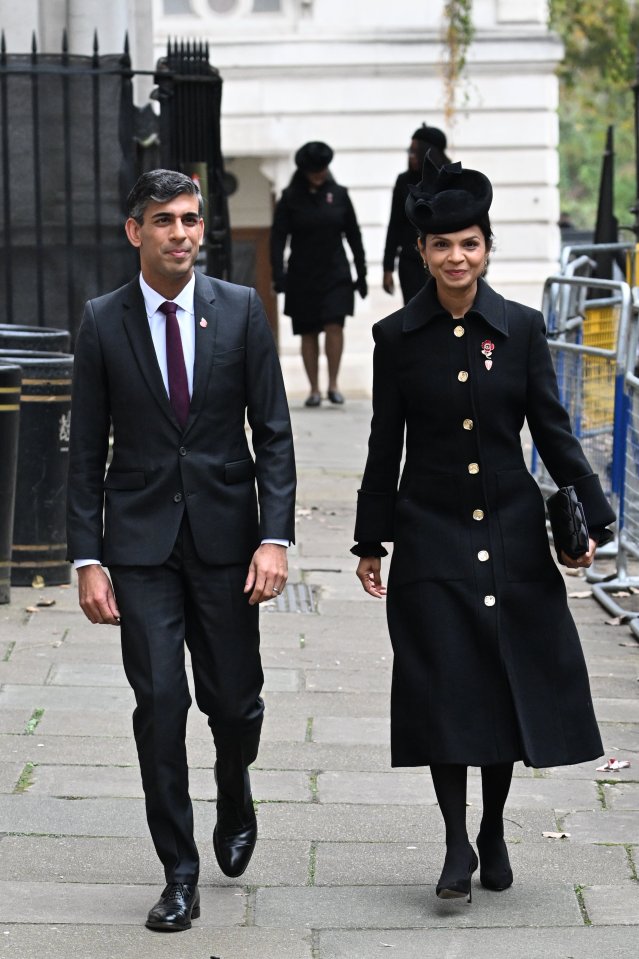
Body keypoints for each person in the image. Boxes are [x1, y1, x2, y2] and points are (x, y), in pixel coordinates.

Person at [353, 156, 615, 904]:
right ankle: (453, 840)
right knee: (444, 687)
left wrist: (590, 517)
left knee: (499, 689)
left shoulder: (524, 329)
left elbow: (553, 432)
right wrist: (371, 540)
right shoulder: (397, 336)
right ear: (422, 253)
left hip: (512, 534)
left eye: (469, 243)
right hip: (429, 532)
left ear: (486, 247)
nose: (456, 257)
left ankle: (494, 825)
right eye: (442, 246)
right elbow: (382, 442)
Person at [66, 169, 296, 932]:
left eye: (190, 219)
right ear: (136, 231)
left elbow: (271, 432)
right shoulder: (102, 320)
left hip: (229, 542)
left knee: (231, 702)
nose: (181, 233)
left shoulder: (239, 312)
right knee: (160, 704)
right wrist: (86, 557)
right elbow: (84, 451)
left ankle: (235, 781)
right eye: (163, 220)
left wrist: (274, 536)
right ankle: (180, 871)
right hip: (138, 548)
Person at [270, 140, 367, 407]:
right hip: (302, 273)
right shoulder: (290, 198)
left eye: (323, 169)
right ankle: (314, 388)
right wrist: (278, 275)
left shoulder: (339, 194)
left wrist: (362, 273)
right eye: (315, 170)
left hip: (335, 271)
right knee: (308, 330)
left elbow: (354, 235)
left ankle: (333, 384)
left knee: (335, 324)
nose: (320, 174)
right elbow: (278, 238)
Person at [382, 123, 451, 304]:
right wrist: (387, 267)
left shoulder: (450, 178)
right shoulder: (403, 181)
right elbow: (394, 224)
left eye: (415, 152)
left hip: (444, 260)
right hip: (411, 262)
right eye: (409, 152)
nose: (411, 156)